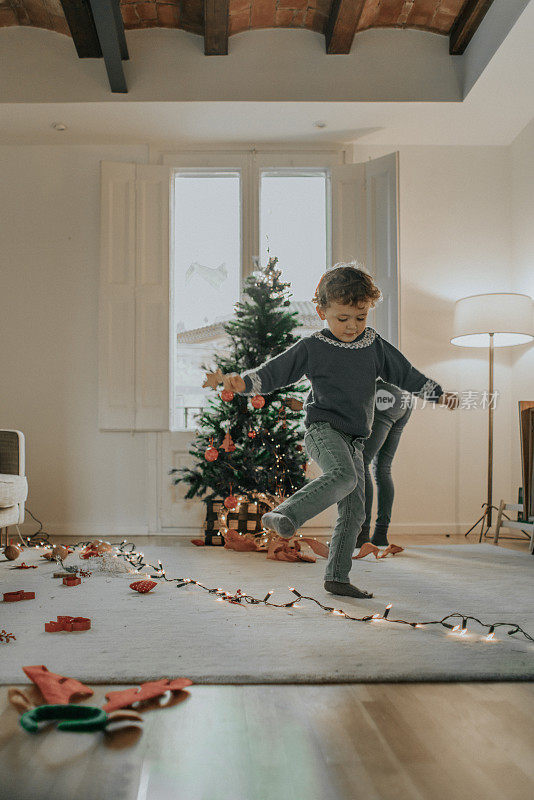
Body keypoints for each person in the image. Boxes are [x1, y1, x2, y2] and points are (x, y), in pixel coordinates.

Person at [219, 263, 458, 599]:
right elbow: (278, 372)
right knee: (345, 476)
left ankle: (337, 578)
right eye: (343, 318)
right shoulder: (313, 347)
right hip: (323, 430)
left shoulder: (374, 345)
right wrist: (245, 383)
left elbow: (405, 374)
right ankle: (283, 516)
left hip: (355, 440)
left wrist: (436, 392)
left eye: (360, 318)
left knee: (354, 510)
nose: (352, 326)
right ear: (322, 311)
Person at [357, 379, 413, 550]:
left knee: (362, 462)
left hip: (383, 394)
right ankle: (381, 534)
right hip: (405, 397)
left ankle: (362, 534)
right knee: (383, 469)